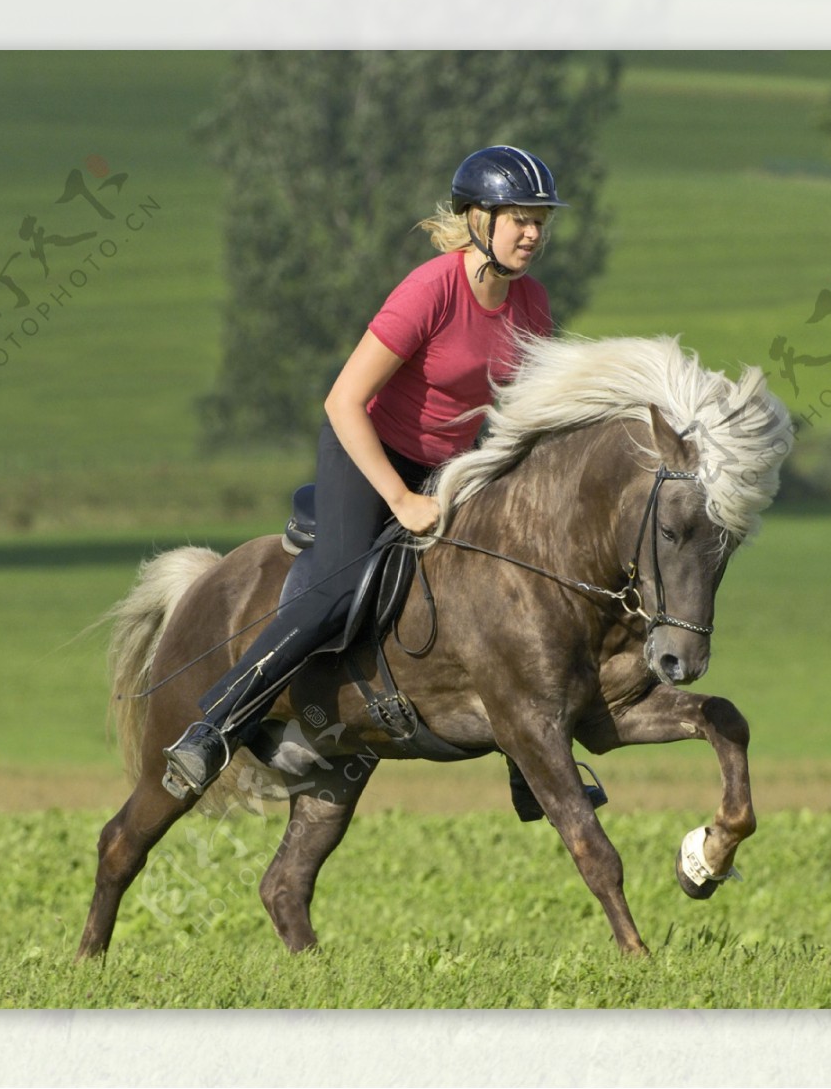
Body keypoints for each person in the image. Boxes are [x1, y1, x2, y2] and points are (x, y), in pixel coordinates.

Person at [162, 145, 564, 799]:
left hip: (450, 465)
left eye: (541, 221)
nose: (533, 234)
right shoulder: (431, 288)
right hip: (368, 447)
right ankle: (216, 725)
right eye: (519, 218)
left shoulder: (534, 303)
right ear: (478, 219)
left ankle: (531, 757)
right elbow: (343, 401)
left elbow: (521, 411)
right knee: (342, 587)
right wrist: (400, 498)